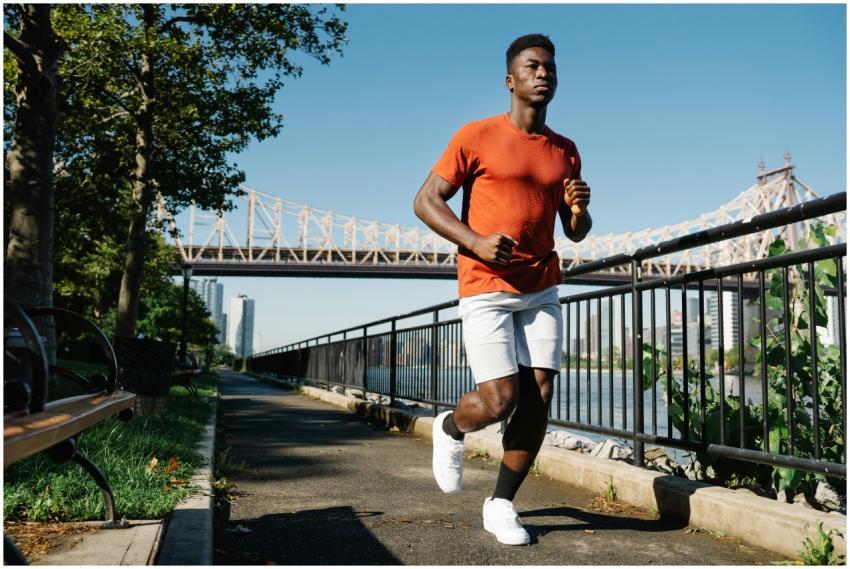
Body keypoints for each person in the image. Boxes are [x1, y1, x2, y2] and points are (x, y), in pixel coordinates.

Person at [412, 33, 592, 546]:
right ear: (510, 80)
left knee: (539, 395)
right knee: (499, 399)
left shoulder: (566, 151)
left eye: (550, 68)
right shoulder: (475, 135)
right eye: (533, 66)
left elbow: (575, 231)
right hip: (485, 282)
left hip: (541, 285)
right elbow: (425, 201)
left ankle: (501, 505)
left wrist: (579, 210)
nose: (544, 74)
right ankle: (450, 428)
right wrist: (475, 242)